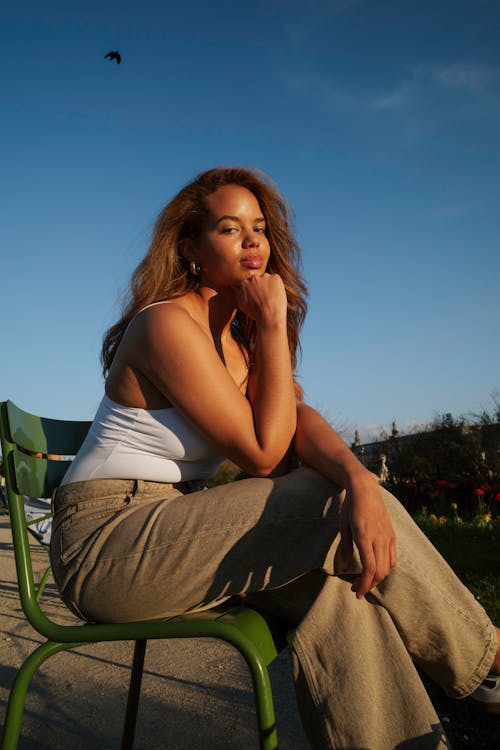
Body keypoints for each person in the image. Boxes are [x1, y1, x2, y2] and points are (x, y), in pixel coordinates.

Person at [50, 167, 499, 749]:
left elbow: (297, 425)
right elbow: (266, 454)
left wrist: (360, 479)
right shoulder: (167, 325)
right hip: (108, 545)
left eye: (259, 228)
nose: (253, 241)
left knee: (345, 593)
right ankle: (489, 658)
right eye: (230, 228)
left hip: (172, 536)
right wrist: (274, 324)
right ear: (191, 248)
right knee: (319, 500)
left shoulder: (236, 340)